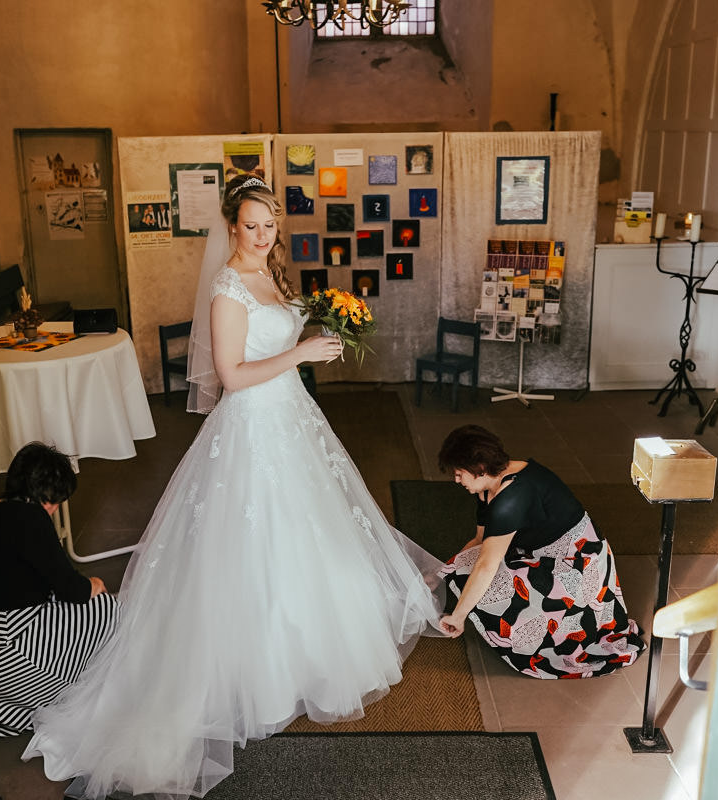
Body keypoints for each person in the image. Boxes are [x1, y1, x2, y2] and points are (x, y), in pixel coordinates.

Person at [23, 174, 443, 799]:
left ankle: (306, 660)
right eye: (250, 225)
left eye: (269, 225)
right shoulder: (225, 289)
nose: (261, 235)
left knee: (308, 540)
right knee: (251, 549)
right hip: (252, 428)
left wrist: (315, 342)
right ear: (230, 227)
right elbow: (233, 376)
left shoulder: (274, 275)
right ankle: (254, 680)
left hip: (294, 422)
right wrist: (301, 353)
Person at [0, 442, 118, 740]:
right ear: (45, 494)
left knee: (62, 606)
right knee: (104, 610)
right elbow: (71, 589)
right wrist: (94, 585)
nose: (56, 508)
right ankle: (72, 683)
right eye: (57, 500)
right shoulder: (31, 518)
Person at [436, 425, 644, 678]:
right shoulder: (489, 486)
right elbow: (480, 540)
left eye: (459, 474)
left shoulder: (510, 500)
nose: (456, 481)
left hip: (576, 565)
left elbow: (486, 565)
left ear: (479, 468)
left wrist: (458, 616)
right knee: (460, 568)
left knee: (484, 581)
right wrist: (442, 571)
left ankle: (541, 637)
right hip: (540, 551)